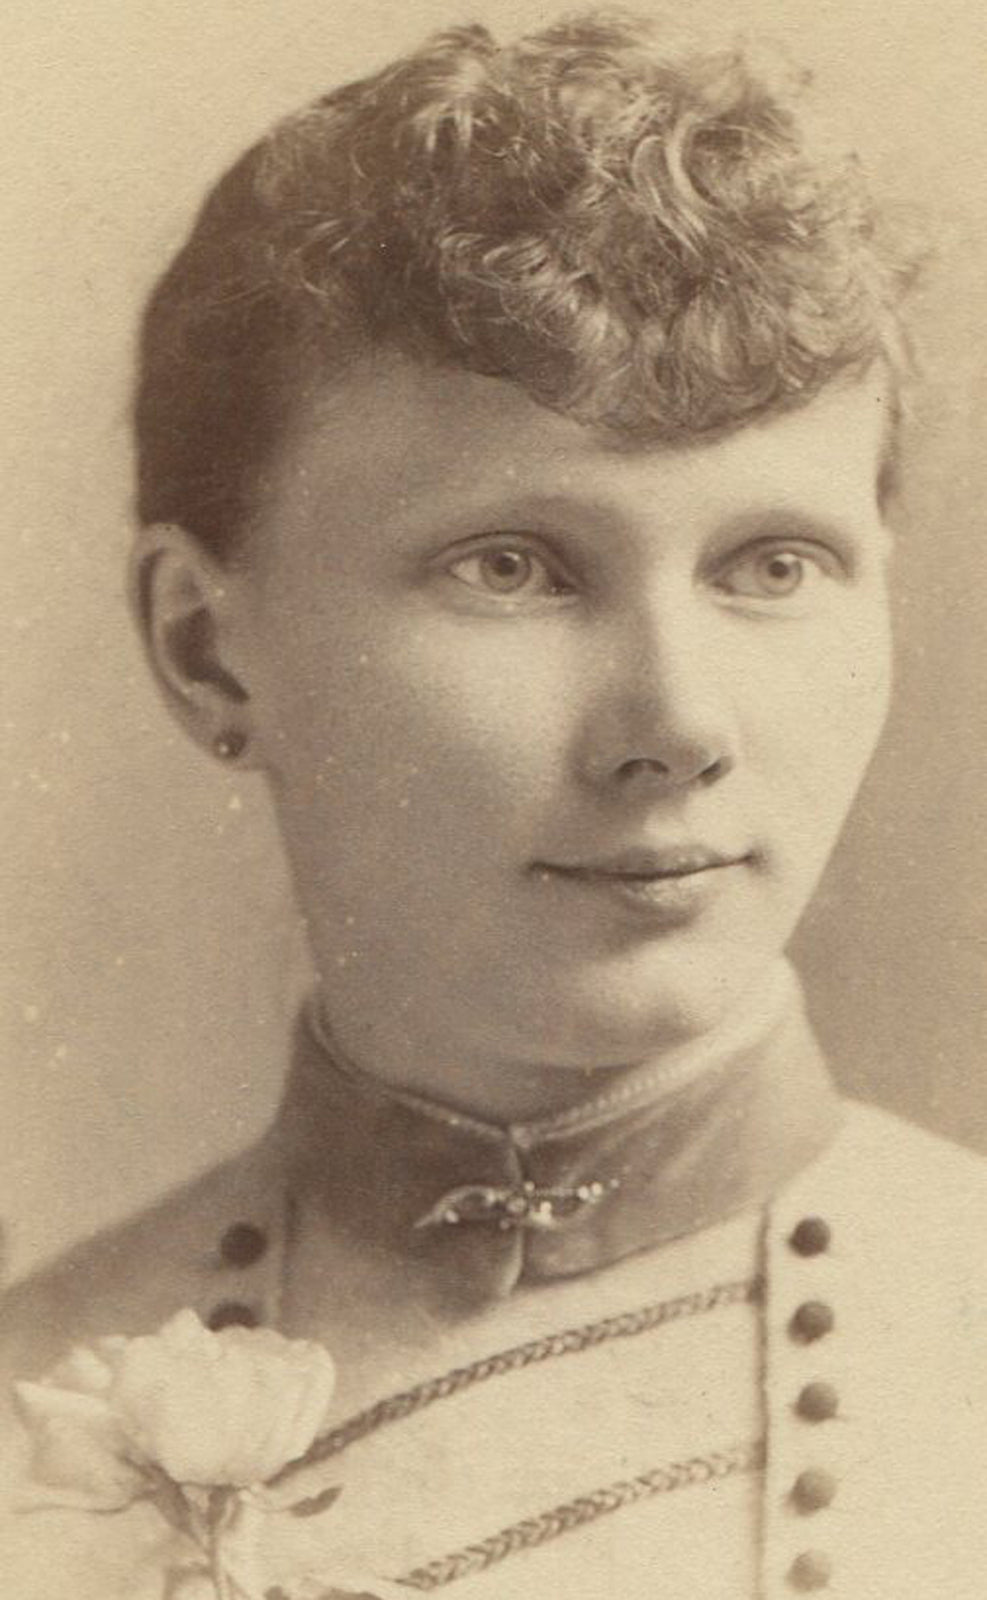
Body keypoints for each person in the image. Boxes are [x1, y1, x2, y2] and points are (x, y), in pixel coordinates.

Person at [1, 10, 985, 1598]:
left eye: (772, 566)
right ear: (206, 648)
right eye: (513, 568)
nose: (675, 725)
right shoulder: (28, 1408)